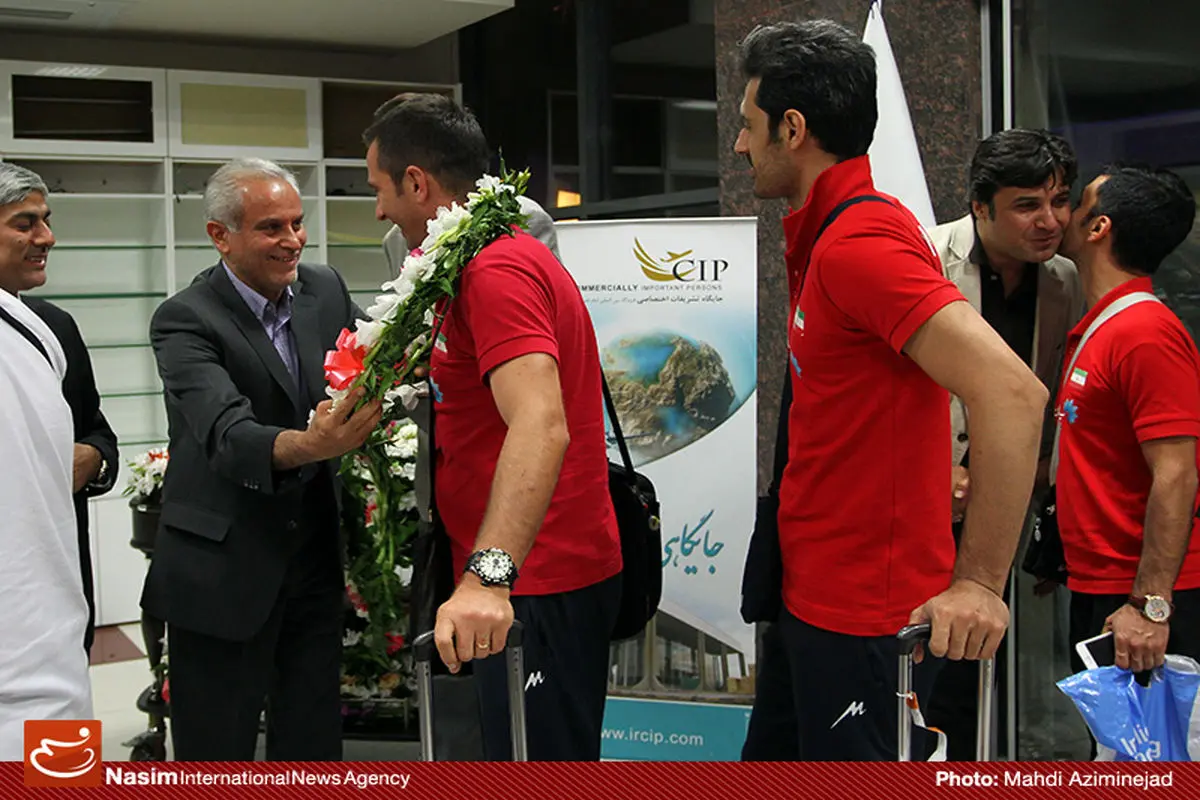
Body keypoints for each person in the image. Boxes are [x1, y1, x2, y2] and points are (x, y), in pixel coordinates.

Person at [733, 20, 1048, 760]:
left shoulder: (861, 243)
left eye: (748, 124)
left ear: (793, 129)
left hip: (865, 621)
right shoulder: (833, 235)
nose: (740, 145)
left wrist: (979, 584)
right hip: (813, 602)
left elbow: (1013, 393)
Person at [363, 93, 622, 761]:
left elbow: (541, 423)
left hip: (537, 578)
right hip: (513, 574)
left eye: (379, 190)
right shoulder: (471, 262)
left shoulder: (496, 269)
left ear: (416, 182)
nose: (379, 211)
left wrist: (489, 576)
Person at [144, 157, 382, 761]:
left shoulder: (323, 289)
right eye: (271, 227)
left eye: (297, 223)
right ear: (220, 235)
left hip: (311, 565)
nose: (292, 240)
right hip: (221, 571)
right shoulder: (185, 318)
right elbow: (229, 436)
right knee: (215, 752)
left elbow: (377, 363)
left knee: (312, 746)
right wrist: (315, 445)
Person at [924, 129, 1084, 759]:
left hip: (998, 509)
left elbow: (1045, 393)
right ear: (980, 206)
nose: (1050, 221)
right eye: (1027, 205)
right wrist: (938, 465)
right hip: (920, 499)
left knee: (971, 672)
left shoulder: (1064, 279)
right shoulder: (925, 254)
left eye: (1060, 202)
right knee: (915, 669)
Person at [1054, 165, 1200, 674]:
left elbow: (1177, 473)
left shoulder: (1144, 333)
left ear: (1099, 227)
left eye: (1078, 202)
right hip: (1102, 582)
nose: (1064, 213)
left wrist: (1149, 605)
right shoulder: (1105, 325)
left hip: (1140, 597)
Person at [0, 163, 92, 758]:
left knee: (58, 770)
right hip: (22, 632)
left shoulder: (41, 332)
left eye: (47, 220)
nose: (47, 237)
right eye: (25, 223)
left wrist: (91, 458)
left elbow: (90, 431)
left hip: (49, 625)